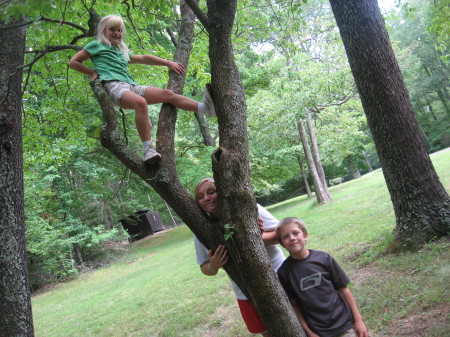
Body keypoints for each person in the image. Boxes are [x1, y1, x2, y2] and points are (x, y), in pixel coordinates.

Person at [69, 15, 215, 165]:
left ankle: (205, 108)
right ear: (102, 31)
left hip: (131, 86)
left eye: (120, 30)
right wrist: (92, 73)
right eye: (112, 29)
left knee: (168, 94)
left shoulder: (120, 52)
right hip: (114, 86)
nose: (117, 33)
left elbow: (144, 58)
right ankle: (148, 149)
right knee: (140, 103)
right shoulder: (95, 45)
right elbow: (73, 62)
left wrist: (168, 63)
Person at [193, 178, 285, 337]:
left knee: (296, 320)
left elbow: (283, 234)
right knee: (268, 331)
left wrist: (254, 237)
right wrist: (213, 265)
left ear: (221, 192)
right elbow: (204, 267)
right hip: (245, 290)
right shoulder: (203, 231)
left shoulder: (249, 209)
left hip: (280, 276)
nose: (206, 198)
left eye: (211, 192)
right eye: (200, 196)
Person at [275, 217, 369, 337]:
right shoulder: (284, 272)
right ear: (282, 244)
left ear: (305, 235)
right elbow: (293, 305)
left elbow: (343, 289)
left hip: (345, 325)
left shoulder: (324, 258)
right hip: (318, 331)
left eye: (296, 233)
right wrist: (309, 332)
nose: (292, 238)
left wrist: (358, 320)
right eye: (286, 236)